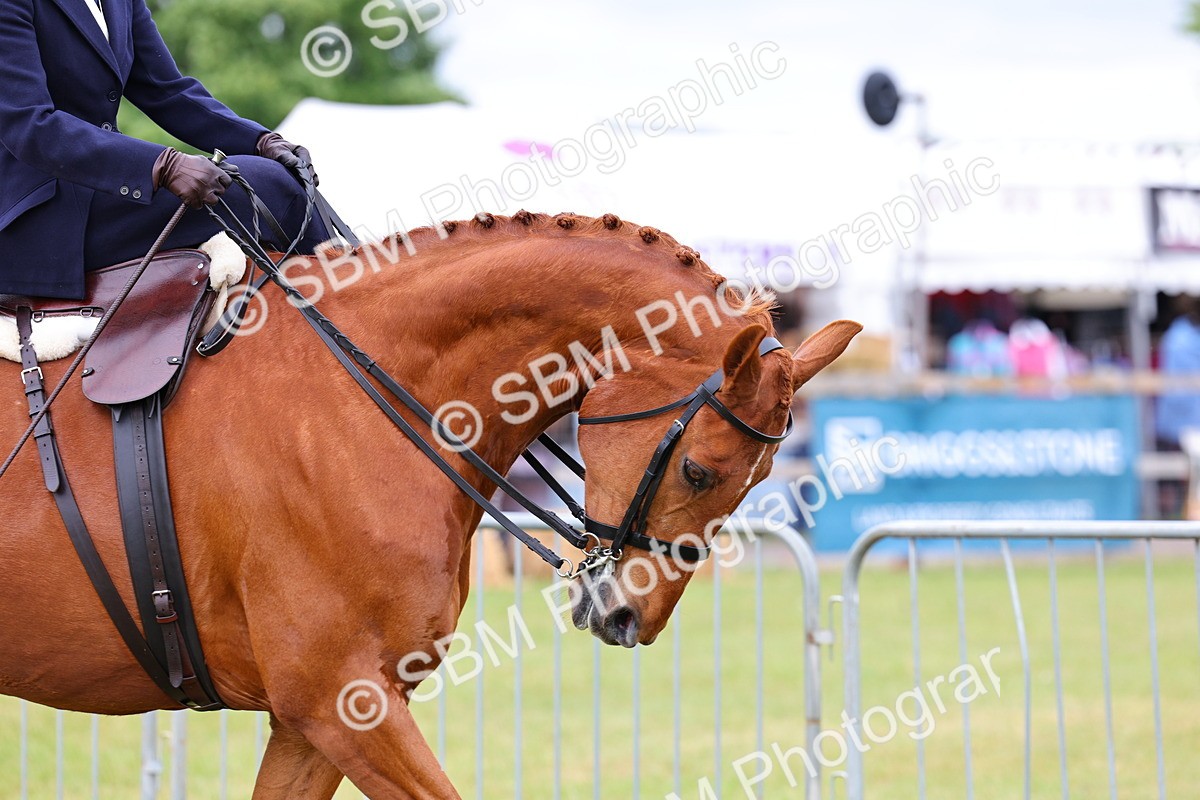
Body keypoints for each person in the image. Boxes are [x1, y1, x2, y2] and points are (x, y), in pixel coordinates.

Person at [0, 0, 329, 300]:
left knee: (284, 175)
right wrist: (160, 165)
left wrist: (260, 141)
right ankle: (345, 302)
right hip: (45, 213)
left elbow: (166, 91)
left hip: (100, 192)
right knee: (266, 185)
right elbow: (28, 124)